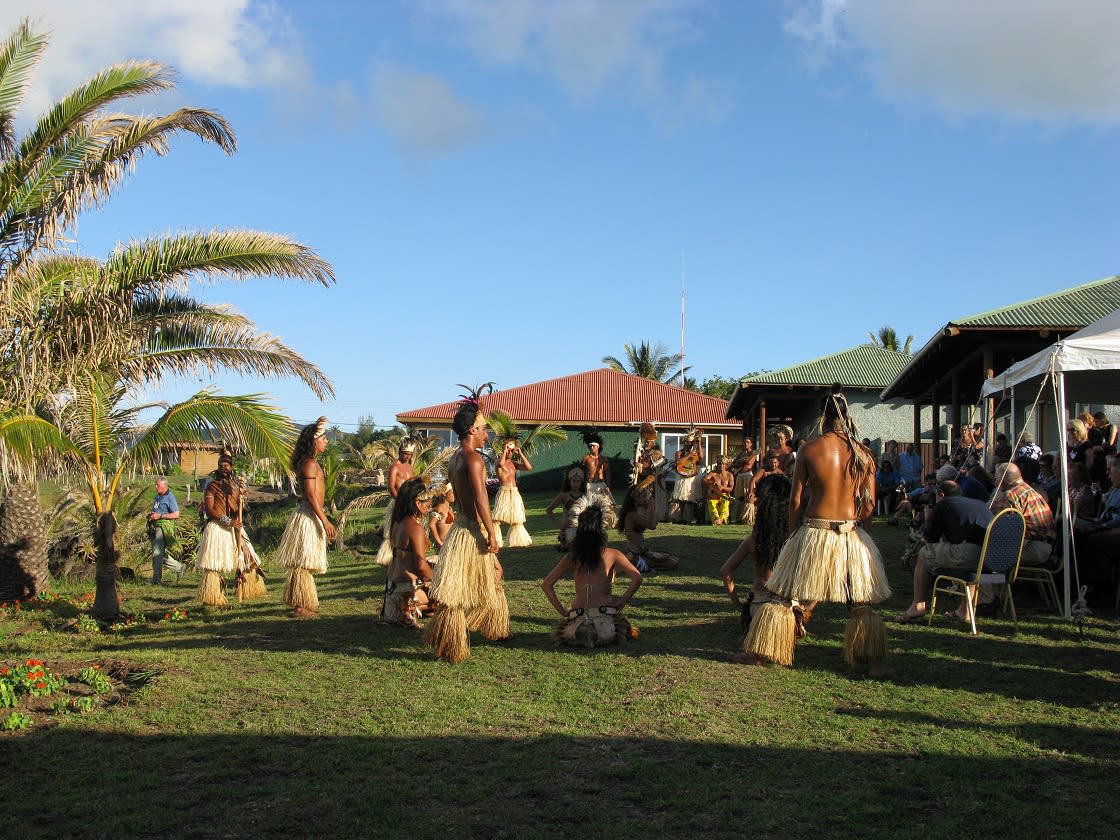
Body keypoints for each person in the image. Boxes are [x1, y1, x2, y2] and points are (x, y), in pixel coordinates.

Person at [743, 384, 891, 676]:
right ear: (847, 417)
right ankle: (874, 663)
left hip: (814, 531)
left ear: (822, 417)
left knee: (784, 594)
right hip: (851, 533)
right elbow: (869, 504)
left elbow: (796, 499)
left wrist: (792, 534)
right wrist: (865, 539)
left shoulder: (809, 449)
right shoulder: (863, 454)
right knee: (860, 602)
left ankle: (760, 654)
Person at [423, 392, 510, 663]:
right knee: (490, 575)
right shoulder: (473, 459)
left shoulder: (455, 458)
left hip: (460, 527)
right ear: (472, 429)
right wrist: (491, 532)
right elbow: (481, 498)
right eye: (484, 429)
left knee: (461, 587)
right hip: (471, 529)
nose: (487, 434)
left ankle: (491, 625)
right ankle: (470, 635)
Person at [541, 496, 643, 648]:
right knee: (622, 630)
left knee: (571, 632)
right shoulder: (613, 554)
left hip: (578, 615)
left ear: (579, 529)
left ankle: (581, 630)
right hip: (605, 613)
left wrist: (562, 611)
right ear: (601, 528)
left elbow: (546, 585)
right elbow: (637, 578)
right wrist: (621, 601)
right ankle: (597, 631)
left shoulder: (572, 557)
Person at [895, 480, 993, 624]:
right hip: (990, 558)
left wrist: (928, 519)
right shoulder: (980, 504)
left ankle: (918, 606)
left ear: (941, 494)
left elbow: (930, 540)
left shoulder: (943, 504)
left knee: (924, 553)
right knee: (965, 562)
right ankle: (964, 611)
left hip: (970, 554)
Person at [274, 417, 336, 617]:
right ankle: (300, 607)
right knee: (302, 561)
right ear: (314, 441)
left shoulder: (311, 463)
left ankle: (301, 604)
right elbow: (310, 495)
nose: (326, 442)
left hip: (310, 514)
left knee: (304, 561)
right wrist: (324, 520)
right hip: (308, 515)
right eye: (324, 438)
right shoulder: (309, 464)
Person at [720, 473, 792, 643]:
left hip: (757, 607)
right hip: (786, 610)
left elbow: (725, 572)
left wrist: (740, 606)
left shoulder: (753, 540)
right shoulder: (794, 540)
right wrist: (805, 607)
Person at [196, 452, 263, 607]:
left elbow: (239, 509)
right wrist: (228, 521)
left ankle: (249, 590)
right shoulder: (211, 486)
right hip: (217, 527)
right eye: (220, 465)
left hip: (234, 526)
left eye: (226, 465)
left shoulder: (234, 487)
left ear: (231, 467)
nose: (223, 468)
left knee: (247, 557)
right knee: (214, 564)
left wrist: (243, 504)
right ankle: (212, 598)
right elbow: (211, 510)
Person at [380, 477, 436, 628]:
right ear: (418, 504)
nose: (429, 508)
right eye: (427, 504)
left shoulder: (398, 522)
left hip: (392, 589)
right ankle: (407, 612)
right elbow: (420, 565)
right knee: (447, 597)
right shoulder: (414, 528)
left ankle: (406, 611)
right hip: (406, 592)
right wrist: (438, 581)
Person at [990, 461, 1056, 567]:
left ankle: (991, 582)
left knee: (984, 559)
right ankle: (999, 581)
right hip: (1046, 546)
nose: (995, 480)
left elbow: (1000, 527)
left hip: (1032, 548)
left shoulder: (1009, 495)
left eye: (996, 477)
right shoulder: (1029, 490)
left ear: (1001, 480)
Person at [619, 483, 680, 571]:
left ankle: (651, 566)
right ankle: (648, 567)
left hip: (642, 552)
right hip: (636, 555)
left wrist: (652, 509)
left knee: (675, 560)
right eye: (644, 497)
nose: (646, 499)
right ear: (635, 498)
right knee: (673, 563)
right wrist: (651, 508)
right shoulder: (631, 515)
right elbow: (652, 526)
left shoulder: (637, 512)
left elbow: (655, 522)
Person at [375, 439, 416, 566]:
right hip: (397, 503)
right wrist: (400, 501)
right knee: (393, 531)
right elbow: (391, 487)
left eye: (409, 454)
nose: (407, 456)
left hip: (409, 503)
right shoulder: (395, 466)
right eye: (405, 453)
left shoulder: (409, 466)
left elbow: (412, 483)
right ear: (400, 452)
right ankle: (389, 558)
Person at [491, 437, 533, 547]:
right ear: (504, 449)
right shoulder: (498, 462)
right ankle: (495, 541)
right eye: (508, 449)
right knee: (497, 519)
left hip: (514, 492)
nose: (510, 452)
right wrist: (505, 451)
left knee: (517, 518)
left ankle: (517, 541)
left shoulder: (514, 464)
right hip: (504, 492)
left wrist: (520, 454)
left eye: (511, 450)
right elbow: (500, 464)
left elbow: (528, 468)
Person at [147, 476, 183, 585]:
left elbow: (176, 514)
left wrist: (160, 516)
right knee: (157, 554)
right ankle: (179, 567)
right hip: (155, 527)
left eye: (157, 485)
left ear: (164, 485)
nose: (156, 486)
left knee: (157, 553)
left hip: (163, 528)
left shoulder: (170, 497)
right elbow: (157, 510)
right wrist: (152, 515)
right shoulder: (158, 496)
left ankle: (156, 580)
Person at [546, 465, 587, 551]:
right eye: (574, 481)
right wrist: (560, 524)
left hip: (582, 530)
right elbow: (549, 510)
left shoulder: (585, 496)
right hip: (568, 529)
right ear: (569, 481)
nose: (576, 483)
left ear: (581, 482)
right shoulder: (564, 495)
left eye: (578, 481)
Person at [670, 427, 704, 524]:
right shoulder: (679, 453)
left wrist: (699, 442)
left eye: (689, 442)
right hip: (682, 477)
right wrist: (689, 454)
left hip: (692, 477)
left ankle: (688, 518)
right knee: (680, 498)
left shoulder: (696, 452)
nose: (687, 444)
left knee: (690, 498)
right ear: (683, 442)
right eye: (685, 442)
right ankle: (676, 517)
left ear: (692, 443)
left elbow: (701, 457)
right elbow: (678, 462)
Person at [581, 430, 613, 503]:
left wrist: (608, 486)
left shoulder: (603, 459)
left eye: (593, 446)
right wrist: (583, 486)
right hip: (589, 485)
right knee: (589, 505)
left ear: (598, 447)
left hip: (601, 484)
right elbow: (580, 471)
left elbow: (607, 473)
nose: (591, 447)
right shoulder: (586, 458)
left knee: (608, 506)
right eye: (590, 446)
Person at [702, 455, 735, 525]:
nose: (721, 466)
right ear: (717, 464)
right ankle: (716, 519)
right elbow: (703, 480)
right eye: (719, 463)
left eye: (723, 464)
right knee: (711, 502)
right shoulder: (713, 473)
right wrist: (712, 483)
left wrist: (722, 487)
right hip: (714, 495)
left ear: (726, 465)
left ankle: (721, 519)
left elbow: (731, 488)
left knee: (725, 501)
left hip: (724, 495)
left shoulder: (730, 475)